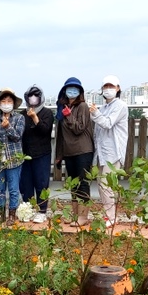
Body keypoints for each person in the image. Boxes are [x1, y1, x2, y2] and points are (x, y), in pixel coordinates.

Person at [89, 75, 129, 226]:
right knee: (102, 184)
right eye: (105, 87)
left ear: (118, 88)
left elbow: (107, 123)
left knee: (107, 184)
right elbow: (97, 132)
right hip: (102, 152)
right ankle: (109, 215)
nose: (108, 89)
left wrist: (95, 113)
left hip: (113, 152)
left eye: (111, 86)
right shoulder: (104, 107)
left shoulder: (120, 106)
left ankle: (111, 217)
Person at [54, 77, 95, 226]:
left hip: (83, 150)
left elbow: (79, 128)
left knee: (83, 183)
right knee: (73, 184)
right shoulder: (62, 108)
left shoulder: (82, 106)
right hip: (68, 152)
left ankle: (83, 217)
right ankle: (75, 214)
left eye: (75, 88)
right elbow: (60, 135)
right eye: (69, 88)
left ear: (80, 92)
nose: (72, 91)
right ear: (64, 91)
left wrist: (69, 116)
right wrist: (58, 156)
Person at [18, 85, 54, 223]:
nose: (33, 99)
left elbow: (45, 131)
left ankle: (42, 210)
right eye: (30, 96)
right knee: (26, 184)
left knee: (41, 183)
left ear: (41, 98)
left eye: (36, 96)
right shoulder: (22, 114)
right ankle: (28, 209)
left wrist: (35, 118)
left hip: (42, 154)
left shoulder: (47, 113)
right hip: (25, 154)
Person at [0, 88, 26, 226]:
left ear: (13, 103)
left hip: (14, 160)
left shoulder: (19, 118)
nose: (6, 103)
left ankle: (12, 215)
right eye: (3, 101)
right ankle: (1, 214)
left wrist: (8, 127)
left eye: (9, 101)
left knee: (13, 188)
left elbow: (17, 137)